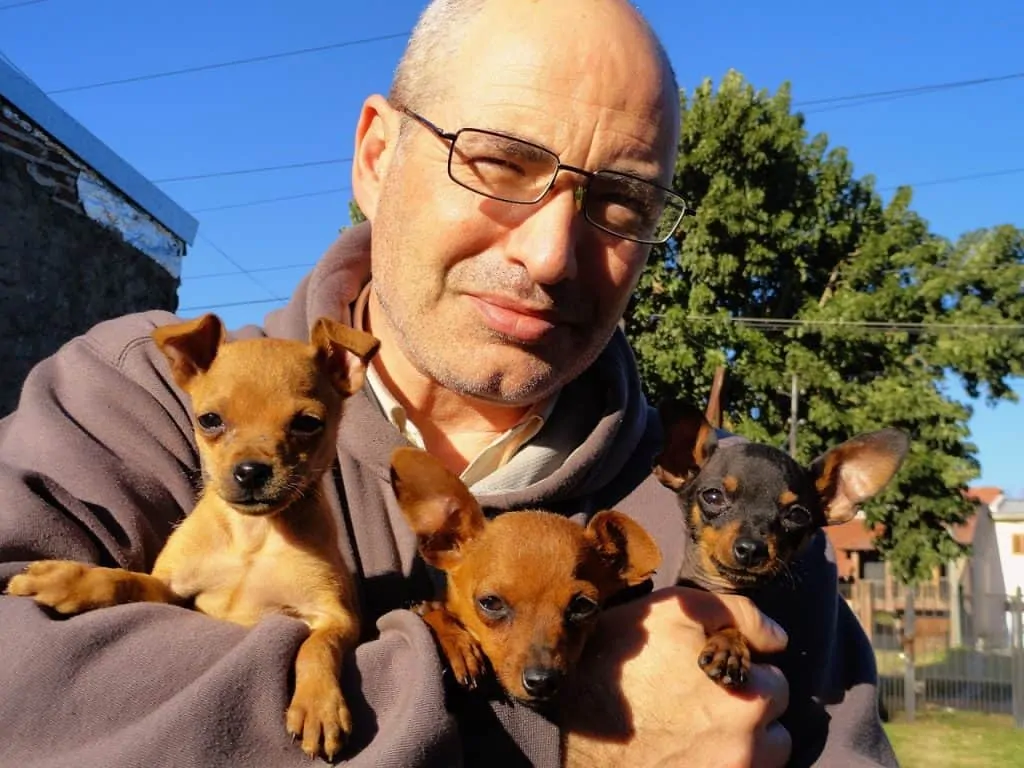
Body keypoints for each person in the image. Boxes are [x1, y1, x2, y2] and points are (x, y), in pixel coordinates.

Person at [0, 1, 897, 766]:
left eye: (621, 203)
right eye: (501, 163)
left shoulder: (715, 525)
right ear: (377, 156)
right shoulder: (146, 402)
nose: (550, 253)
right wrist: (553, 724)